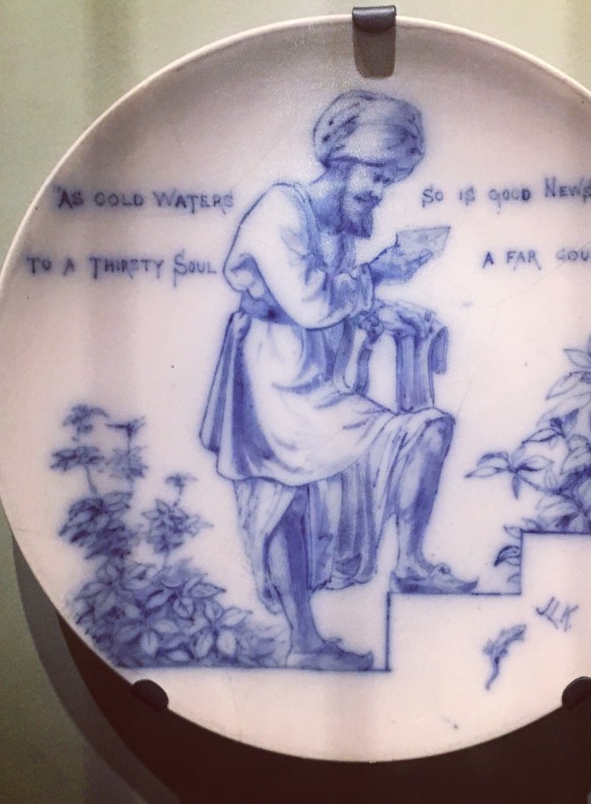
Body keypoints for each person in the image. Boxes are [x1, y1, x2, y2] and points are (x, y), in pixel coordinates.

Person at [201, 91, 475, 671]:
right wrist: (378, 274)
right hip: (269, 380)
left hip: (313, 379)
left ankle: (411, 563)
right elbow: (311, 303)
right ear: (346, 163)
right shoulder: (280, 209)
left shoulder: (340, 230)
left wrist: (385, 312)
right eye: (378, 177)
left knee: (429, 430)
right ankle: (303, 643)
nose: (380, 192)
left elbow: (340, 307)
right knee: (285, 501)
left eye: (389, 180)